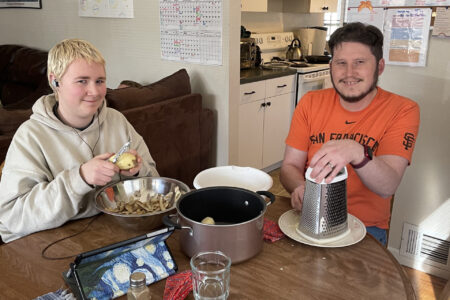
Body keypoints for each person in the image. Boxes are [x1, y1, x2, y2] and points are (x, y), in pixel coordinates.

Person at [0, 39, 159, 243]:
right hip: (48, 242)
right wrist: (80, 178)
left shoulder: (117, 120)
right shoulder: (30, 136)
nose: (94, 91)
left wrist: (138, 172)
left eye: (100, 81)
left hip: (105, 233)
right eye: (82, 81)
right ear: (55, 81)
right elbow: (12, 216)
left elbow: (154, 181)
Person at [280, 22, 420, 246]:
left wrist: (357, 152)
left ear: (380, 67)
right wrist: (298, 187)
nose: (349, 73)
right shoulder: (310, 103)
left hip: (367, 227)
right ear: (331, 66)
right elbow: (289, 167)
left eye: (360, 63)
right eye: (341, 63)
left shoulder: (403, 110)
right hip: (309, 218)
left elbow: (387, 186)